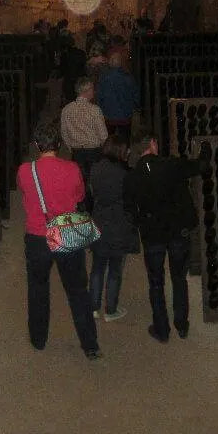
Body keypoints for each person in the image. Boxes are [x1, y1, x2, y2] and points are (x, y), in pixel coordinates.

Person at [16, 121, 101, 360]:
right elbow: (79, 197)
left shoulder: (25, 171)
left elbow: (24, 193)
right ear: (60, 144)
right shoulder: (73, 169)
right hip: (65, 234)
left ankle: (38, 339)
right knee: (77, 291)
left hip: (37, 237)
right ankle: (90, 344)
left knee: (37, 289)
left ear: (35, 145)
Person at [124, 133, 204, 343]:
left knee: (156, 283)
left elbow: (129, 210)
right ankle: (182, 325)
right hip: (178, 232)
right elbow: (200, 166)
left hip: (153, 236)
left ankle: (162, 330)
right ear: (152, 144)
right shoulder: (172, 165)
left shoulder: (132, 176)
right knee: (179, 278)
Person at [88, 136, 139, 322]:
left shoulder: (95, 168)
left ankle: (93, 308)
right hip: (119, 225)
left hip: (99, 222)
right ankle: (110, 310)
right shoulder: (125, 174)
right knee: (115, 269)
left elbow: (92, 194)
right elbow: (131, 201)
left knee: (97, 268)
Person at [60, 76, 108, 207]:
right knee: (95, 181)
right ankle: (95, 208)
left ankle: (82, 209)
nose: (94, 91)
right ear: (86, 91)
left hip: (77, 151)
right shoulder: (95, 110)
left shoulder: (67, 110)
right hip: (94, 151)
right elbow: (103, 135)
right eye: (93, 89)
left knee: (80, 182)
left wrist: (72, 147)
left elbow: (64, 133)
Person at [96, 51, 139, 140]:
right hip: (125, 116)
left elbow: (99, 96)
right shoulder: (129, 78)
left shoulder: (103, 78)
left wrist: (101, 110)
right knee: (125, 139)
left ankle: (110, 153)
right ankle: (124, 152)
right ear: (121, 63)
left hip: (108, 116)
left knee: (109, 139)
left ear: (110, 62)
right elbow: (135, 95)